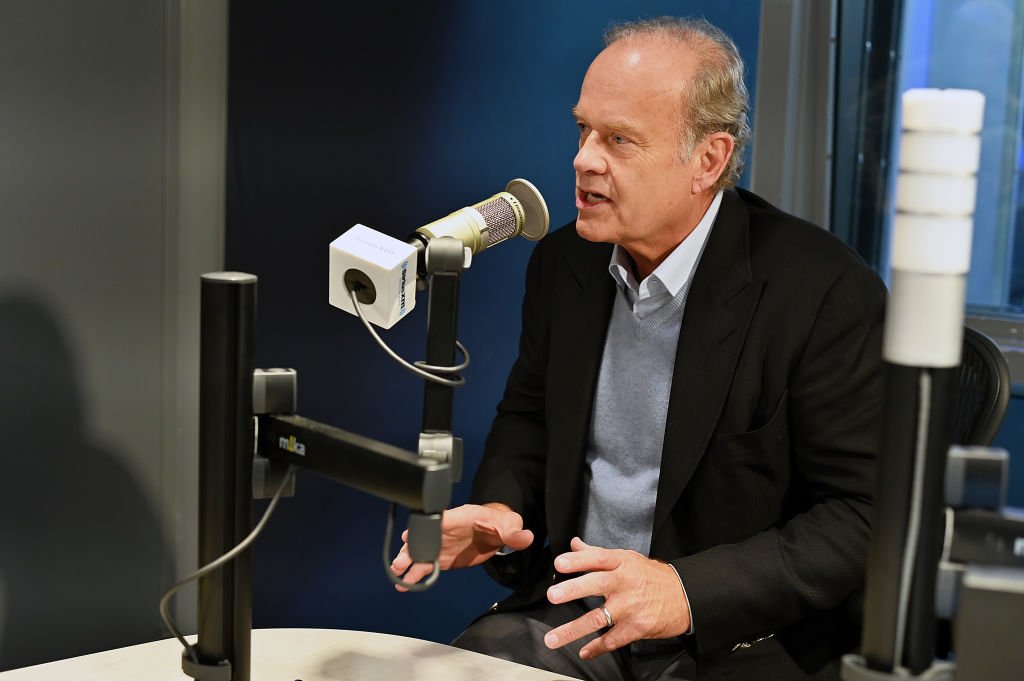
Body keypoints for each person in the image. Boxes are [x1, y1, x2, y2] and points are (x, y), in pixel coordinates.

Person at [391, 16, 886, 681]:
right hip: (575, 618)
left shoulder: (823, 291)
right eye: (583, 130)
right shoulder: (566, 264)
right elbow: (530, 418)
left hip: (734, 639)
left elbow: (863, 516)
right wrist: (504, 507)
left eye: (619, 140)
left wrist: (686, 591)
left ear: (707, 160)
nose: (584, 159)